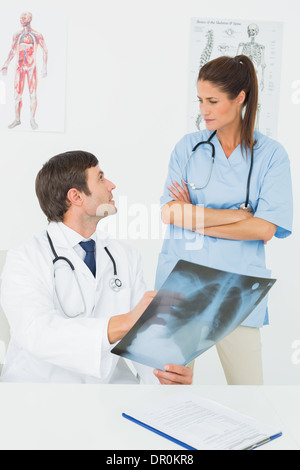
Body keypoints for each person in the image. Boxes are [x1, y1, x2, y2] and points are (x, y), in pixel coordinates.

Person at [155, 55, 293, 385]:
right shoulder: (188, 148)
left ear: (240, 98)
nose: (204, 109)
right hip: (181, 286)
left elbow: (264, 228)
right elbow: (169, 212)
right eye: (201, 100)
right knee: (170, 392)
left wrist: (193, 216)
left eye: (213, 101)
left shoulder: (272, 155)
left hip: (238, 291)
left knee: (249, 394)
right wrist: (236, 216)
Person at [0, 150, 193, 385]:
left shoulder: (125, 256)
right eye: (101, 178)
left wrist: (164, 374)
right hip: (42, 392)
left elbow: (141, 336)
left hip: (110, 392)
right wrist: (124, 323)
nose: (111, 185)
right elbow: (37, 333)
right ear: (76, 196)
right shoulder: (26, 257)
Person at [1, 11, 48, 130]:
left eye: (23, 18)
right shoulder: (17, 34)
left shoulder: (36, 35)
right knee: (17, 94)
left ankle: (32, 119)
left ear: (29, 19)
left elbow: (45, 50)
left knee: (32, 94)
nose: (21, 20)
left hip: (31, 67)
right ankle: (17, 119)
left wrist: (44, 67)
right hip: (19, 67)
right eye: (20, 18)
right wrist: (6, 64)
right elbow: (12, 51)